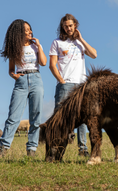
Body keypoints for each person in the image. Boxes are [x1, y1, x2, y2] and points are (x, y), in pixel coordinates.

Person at [0, 19, 47, 157]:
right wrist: (16, 76)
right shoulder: (15, 48)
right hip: (21, 82)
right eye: (26, 30)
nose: (30, 31)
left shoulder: (35, 46)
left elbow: (43, 62)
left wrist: (40, 46)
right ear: (19, 32)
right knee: (13, 116)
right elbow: (11, 70)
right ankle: (3, 149)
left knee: (35, 117)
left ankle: (32, 150)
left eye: (30, 29)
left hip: (36, 79)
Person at [49, 14, 97, 157]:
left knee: (82, 117)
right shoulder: (57, 42)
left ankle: (83, 149)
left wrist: (80, 39)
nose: (68, 28)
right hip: (65, 85)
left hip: (81, 85)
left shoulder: (80, 43)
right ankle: (58, 150)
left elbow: (94, 55)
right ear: (62, 27)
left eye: (71, 25)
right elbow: (52, 65)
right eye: (66, 26)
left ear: (75, 25)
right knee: (61, 118)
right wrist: (61, 80)